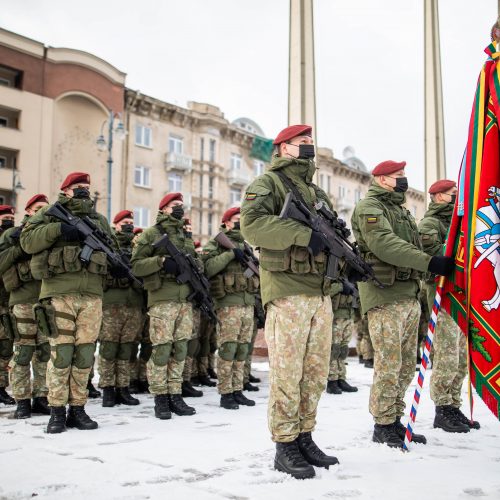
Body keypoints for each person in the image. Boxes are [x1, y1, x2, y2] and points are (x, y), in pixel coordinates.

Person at [241, 124, 339, 479]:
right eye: (302, 142)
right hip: (287, 291)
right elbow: (251, 227)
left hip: (320, 294)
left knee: (314, 374)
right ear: (283, 149)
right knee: (288, 373)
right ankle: (284, 445)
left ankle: (304, 435)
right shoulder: (267, 184)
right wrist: (303, 234)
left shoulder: (316, 193)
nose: (309, 146)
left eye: (312, 141)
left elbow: (330, 238)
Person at [351, 160, 454, 448]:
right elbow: (384, 244)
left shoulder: (400, 210)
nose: (403, 180)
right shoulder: (370, 207)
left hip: (408, 292)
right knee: (389, 362)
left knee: (406, 364)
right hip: (384, 293)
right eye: (398, 176)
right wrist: (429, 261)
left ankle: (394, 419)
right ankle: (382, 423)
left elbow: (415, 246)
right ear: (382, 179)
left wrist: (433, 263)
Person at [20, 172, 114, 433]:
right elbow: (27, 241)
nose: (83, 190)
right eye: (78, 187)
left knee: (84, 354)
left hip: (92, 296)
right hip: (59, 294)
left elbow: (112, 248)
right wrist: (60, 229)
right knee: (61, 354)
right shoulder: (51, 213)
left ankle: (78, 409)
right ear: (65, 190)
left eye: (86, 187)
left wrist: (116, 267)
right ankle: (57, 410)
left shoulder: (99, 220)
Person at [418, 179, 479, 432]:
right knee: (447, 356)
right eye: (452, 194)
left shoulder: (463, 223)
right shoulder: (430, 224)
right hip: (443, 298)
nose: (456, 197)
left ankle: (453, 404)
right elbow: (434, 258)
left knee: (462, 358)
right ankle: (442, 408)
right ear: (438, 197)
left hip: (463, 297)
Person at [131, 193, 198, 420]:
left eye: (181, 205)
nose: (179, 208)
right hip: (162, 300)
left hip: (184, 301)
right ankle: (161, 397)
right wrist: (160, 262)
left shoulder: (184, 235)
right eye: (174, 205)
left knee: (180, 349)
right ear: (163, 209)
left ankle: (175, 394)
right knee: (161, 350)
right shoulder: (152, 234)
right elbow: (136, 266)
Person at [202, 207, 258, 409]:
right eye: (236, 220)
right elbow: (206, 268)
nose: (239, 223)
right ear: (225, 222)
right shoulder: (217, 243)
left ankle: (238, 388)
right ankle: (226, 392)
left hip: (246, 303)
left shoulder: (245, 244)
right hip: (228, 305)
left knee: (243, 349)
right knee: (228, 348)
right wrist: (229, 255)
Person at [0, 195, 50, 418]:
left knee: (45, 352)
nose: (42, 211)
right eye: (38, 208)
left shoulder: (47, 234)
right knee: (23, 351)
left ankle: (41, 397)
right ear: (28, 210)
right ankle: (22, 400)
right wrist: (19, 247)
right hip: (21, 300)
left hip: (46, 300)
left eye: (44, 208)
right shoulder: (11, 235)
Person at [98, 210, 143, 407]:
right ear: (116, 225)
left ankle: (123, 387)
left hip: (133, 304)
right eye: (124, 222)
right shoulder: (107, 245)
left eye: (131, 222)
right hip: (111, 305)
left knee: (126, 349)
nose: (128, 225)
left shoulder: (138, 247)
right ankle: (108, 389)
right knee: (109, 348)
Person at [0, 205, 22, 406]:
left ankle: (1, 387)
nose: (8, 221)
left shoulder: (16, 241)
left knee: (6, 347)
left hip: (9, 301)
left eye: (10, 217)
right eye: (5, 217)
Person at [327, 283, 358, 395]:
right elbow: (325, 291)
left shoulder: (347, 274)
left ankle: (341, 378)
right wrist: (340, 287)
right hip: (335, 315)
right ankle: (332, 380)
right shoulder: (331, 272)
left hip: (348, 315)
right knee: (334, 349)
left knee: (343, 349)